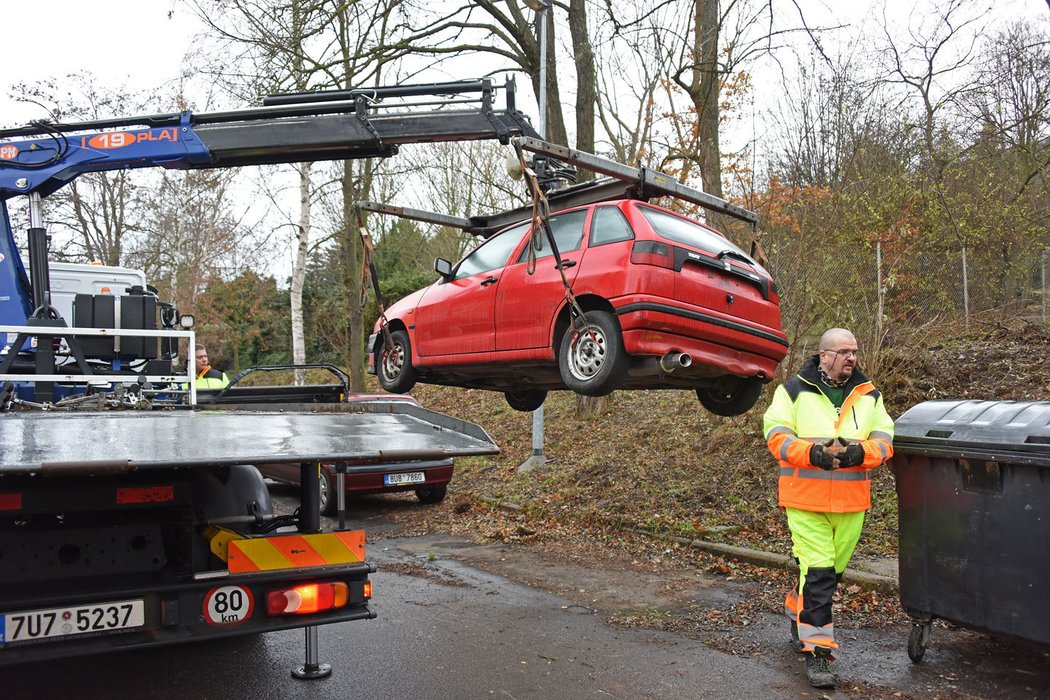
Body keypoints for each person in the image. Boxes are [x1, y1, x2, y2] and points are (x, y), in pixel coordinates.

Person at [762, 328, 894, 688]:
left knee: (829, 576)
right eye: (843, 352)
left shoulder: (869, 395)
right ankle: (819, 654)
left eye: (854, 351)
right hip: (805, 500)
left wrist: (860, 453)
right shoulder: (791, 391)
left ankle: (797, 609)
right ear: (823, 355)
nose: (851, 357)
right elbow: (775, 435)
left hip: (851, 504)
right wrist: (812, 454)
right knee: (819, 573)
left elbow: (885, 439)